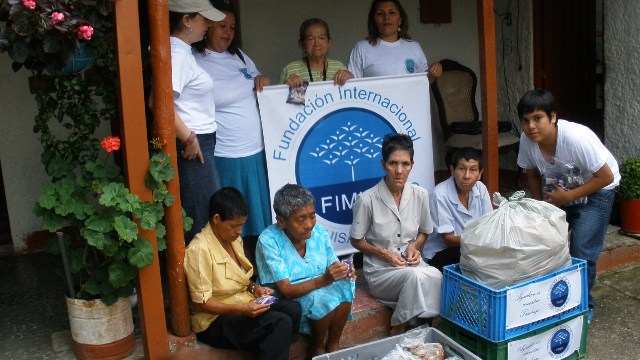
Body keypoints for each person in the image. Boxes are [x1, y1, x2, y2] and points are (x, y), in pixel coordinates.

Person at [516, 89, 620, 323]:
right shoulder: (527, 139)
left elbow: (605, 177)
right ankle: (553, 300)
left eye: (538, 118)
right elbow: (531, 173)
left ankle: (583, 306)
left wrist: (568, 197)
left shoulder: (576, 139)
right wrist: (541, 205)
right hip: (560, 188)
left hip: (598, 189)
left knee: (582, 251)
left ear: (553, 117)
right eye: (525, 120)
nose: (531, 126)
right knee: (549, 242)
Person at [184, 188, 301, 360]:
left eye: (241, 225)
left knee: (293, 309)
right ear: (216, 219)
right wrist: (241, 309)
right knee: (280, 323)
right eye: (234, 225)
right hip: (214, 321)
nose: (239, 231)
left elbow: (239, 278)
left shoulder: (233, 239)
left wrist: (255, 288)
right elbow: (201, 303)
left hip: (242, 303)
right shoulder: (199, 249)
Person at [192, 2, 271, 239]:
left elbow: (257, 82)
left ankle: (259, 268)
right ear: (207, 26)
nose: (228, 32)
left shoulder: (239, 56)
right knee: (229, 220)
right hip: (225, 153)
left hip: (254, 150)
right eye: (222, 26)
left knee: (258, 217)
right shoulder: (196, 60)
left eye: (232, 27)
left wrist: (263, 81)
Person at [349, 133, 442, 328]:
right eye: (393, 164)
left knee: (437, 276)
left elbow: (425, 231)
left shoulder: (420, 195)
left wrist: (414, 247)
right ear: (383, 164)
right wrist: (384, 253)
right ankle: (410, 327)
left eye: (405, 164)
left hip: (412, 265)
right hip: (381, 272)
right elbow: (356, 240)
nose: (399, 171)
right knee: (415, 278)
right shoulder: (367, 200)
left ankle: (422, 331)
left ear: (412, 165)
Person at [255, 184, 355, 356]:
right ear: (281, 221)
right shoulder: (269, 240)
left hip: (319, 290)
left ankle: (333, 345)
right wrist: (323, 280)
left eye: (312, 216)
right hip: (286, 302)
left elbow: (333, 265)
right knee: (322, 298)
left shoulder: (319, 232)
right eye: (300, 219)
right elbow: (285, 290)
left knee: (345, 286)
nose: (309, 225)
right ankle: (317, 348)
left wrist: (344, 271)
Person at [168, 0, 224, 243]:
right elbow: (160, 104)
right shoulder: (176, 54)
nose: (209, 25)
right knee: (202, 220)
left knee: (208, 213)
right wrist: (188, 137)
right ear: (187, 20)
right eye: (204, 19)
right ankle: (200, 280)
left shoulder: (183, 51)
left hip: (200, 140)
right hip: (193, 143)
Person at [422, 147, 493, 272]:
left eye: (473, 170)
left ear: (480, 174)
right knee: (479, 259)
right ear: (452, 170)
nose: (467, 176)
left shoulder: (481, 189)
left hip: (473, 247)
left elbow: (490, 225)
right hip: (441, 253)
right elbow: (449, 240)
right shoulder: (440, 194)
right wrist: (479, 239)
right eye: (461, 169)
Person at [348, 0, 441, 82]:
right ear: (373, 20)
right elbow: (353, 85)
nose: (386, 18)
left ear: (400, 20)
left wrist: (435, 70)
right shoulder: (361, 48)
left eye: (392, 12)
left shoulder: (414, 47)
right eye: (380, 13)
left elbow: (424, 81)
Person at [280, 18, 354, 87]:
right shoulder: (290, 69)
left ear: (329, 42)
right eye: (310, 39)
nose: (316, 43)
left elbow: (353, 92)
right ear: (302, 44)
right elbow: (277, 98)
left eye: (321, 38)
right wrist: (286, 86)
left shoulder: (339, 67)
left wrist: (350, 77)